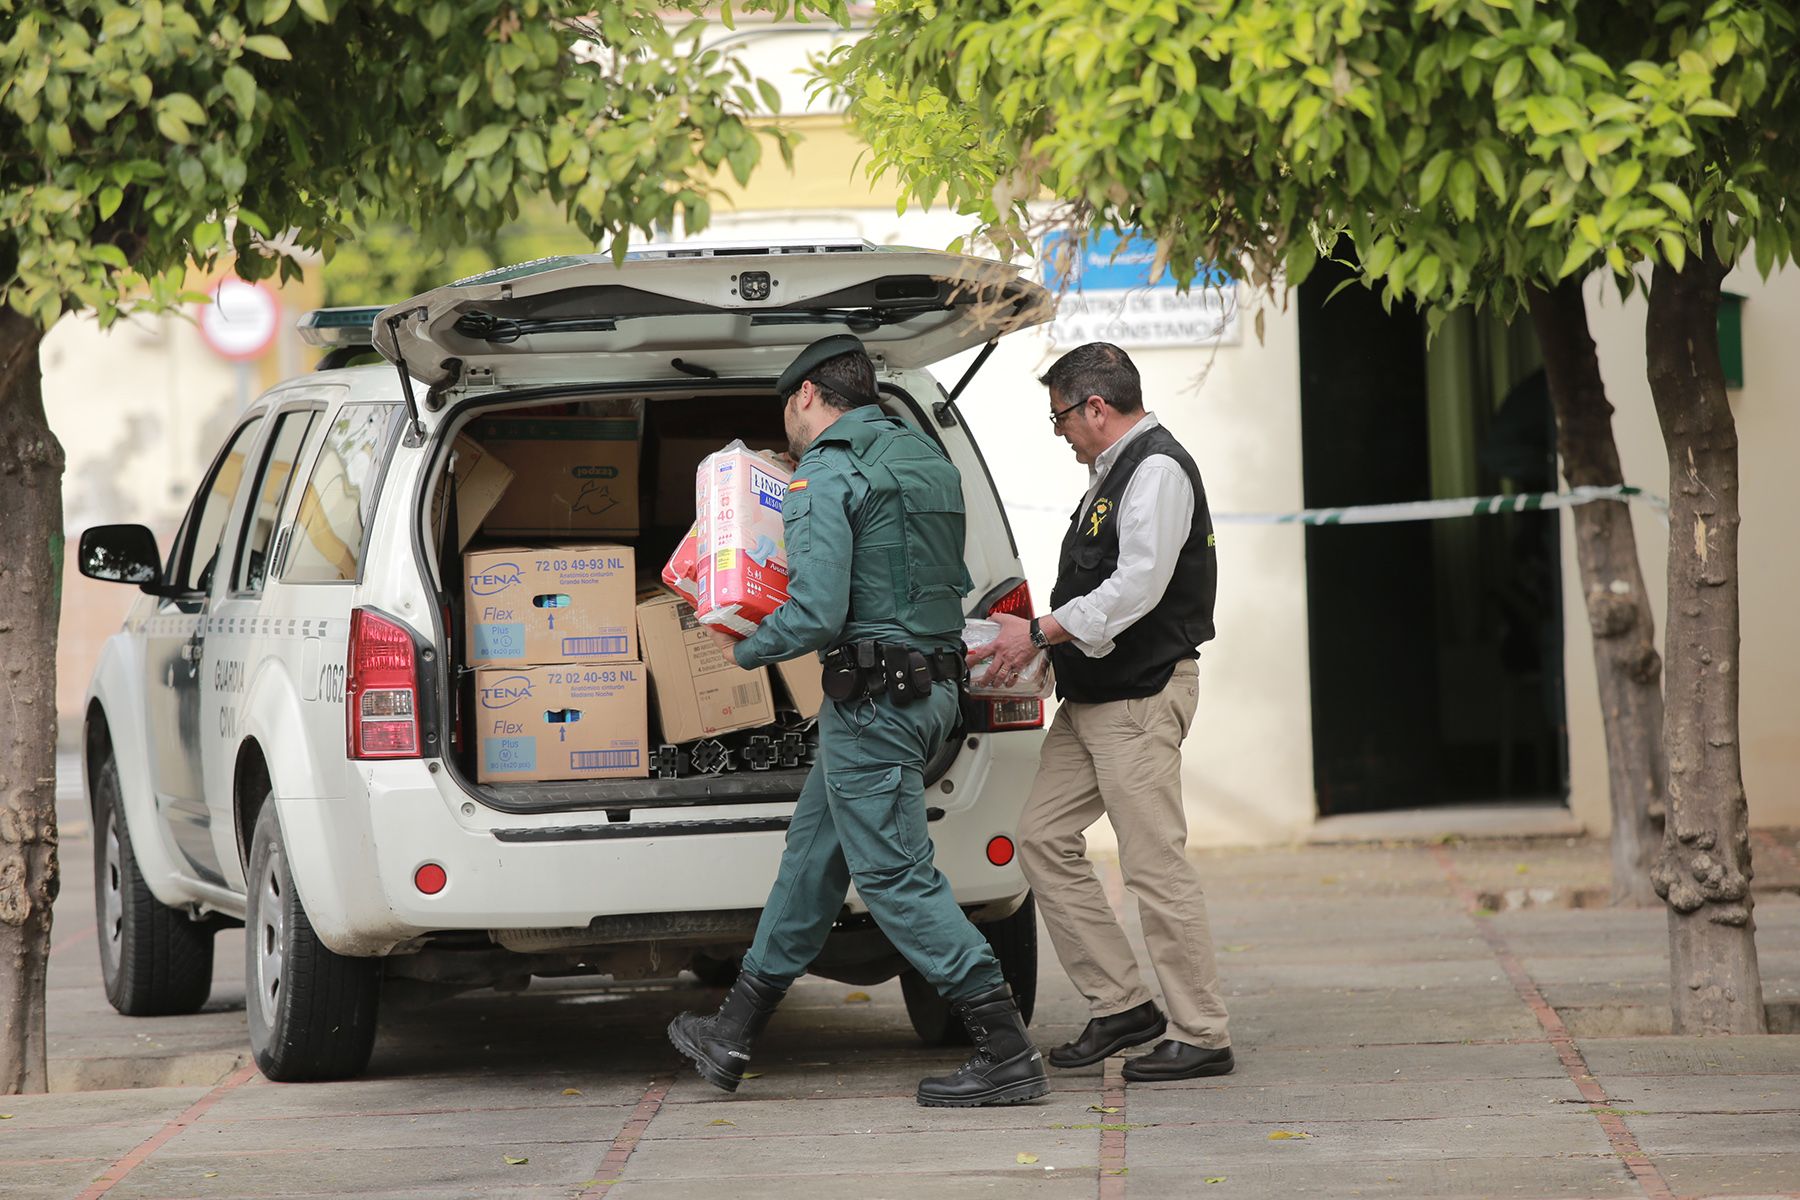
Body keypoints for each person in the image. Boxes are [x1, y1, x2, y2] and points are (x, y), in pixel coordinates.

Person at [668, 335, 1048, 1108]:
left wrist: (740, 650)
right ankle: (733, 1031)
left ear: (808, 395)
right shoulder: (928, 460)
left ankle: (1006, 1049)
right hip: (931, 695)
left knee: (894, 878)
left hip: (875, 705)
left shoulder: (827, 474)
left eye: (788, 408)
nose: (791, 426)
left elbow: (814, 613)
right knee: (811, 863)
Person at [970, 341, 1233, 1082]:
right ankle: (1122, 1003)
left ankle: (1203, 1030)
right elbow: (1100, 591)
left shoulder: (1156, 470)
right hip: (1092, 700)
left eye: (1060, 418)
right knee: (1042, 838)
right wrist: (1040, 657)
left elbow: (1139, 585)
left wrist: (1042, 632)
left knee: (1154, 867)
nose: (1059, 433)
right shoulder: (1109, 477)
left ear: (1095, 406)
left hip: (1141, 699)